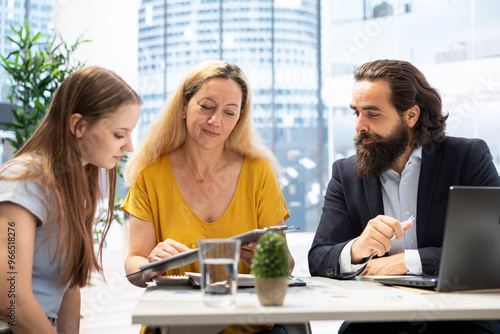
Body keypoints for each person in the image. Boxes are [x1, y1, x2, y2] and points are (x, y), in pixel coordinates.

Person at [308, 59, 500, 333]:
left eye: (372, 114)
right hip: (375, 321)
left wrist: (410, 261)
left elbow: (492, 252)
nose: (359, 125)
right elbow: (318, 258)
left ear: (411, 115)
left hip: (459, 317)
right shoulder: (346, 173)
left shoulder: (467, 157)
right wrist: (355, 249)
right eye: (356, 113)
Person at [122, 60, 294, 334]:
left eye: (229, 112)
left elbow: (285, 264)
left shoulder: (259, 173)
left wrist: (265, 258)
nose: (216, 121)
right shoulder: (150, 174)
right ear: (183, 107)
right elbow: (134, 264)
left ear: (239, 118)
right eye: (206, 107)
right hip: (175, 324)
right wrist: (150, 265)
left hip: (249, 327)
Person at [0, 66, 141, 334]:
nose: (129, 147)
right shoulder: (22, 181)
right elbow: (11, 298)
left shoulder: (78, 187)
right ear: (78, 125)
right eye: (119, 134)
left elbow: (70, 287)